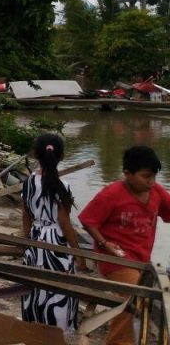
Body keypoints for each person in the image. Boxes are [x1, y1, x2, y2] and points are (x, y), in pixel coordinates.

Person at [79, 146, 170, 345]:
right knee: (134, 296)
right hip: (114, 259)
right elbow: (87, 219)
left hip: (141, 260)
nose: (151, 181)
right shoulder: (112, 193)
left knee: (145, 298)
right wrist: (103, 243)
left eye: (154, 176)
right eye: (145, 176)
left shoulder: (155, 192)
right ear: (127, 173)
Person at [20, 134, 81, 332]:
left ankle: (34, 329)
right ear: (61, 156)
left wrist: (25, 240)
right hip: (56, 244)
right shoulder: (62, 186)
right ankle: (57, 332)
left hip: (35, 240)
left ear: (35, 154)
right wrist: (79, 253)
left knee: (35, 287)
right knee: (59, 289)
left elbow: (26, 216)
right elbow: (64, 223)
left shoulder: (28, 182)